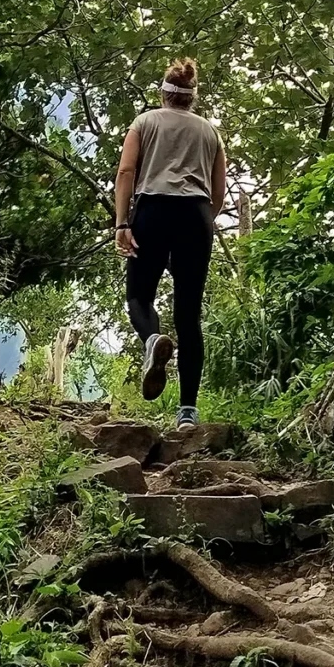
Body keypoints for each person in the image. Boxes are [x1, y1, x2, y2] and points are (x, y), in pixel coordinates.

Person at [114, 58, 227, 431]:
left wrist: (123, 223)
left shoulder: (144, 122)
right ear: (192, 99)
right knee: (189, 315)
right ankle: (187, 414)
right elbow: (219, 193)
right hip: (196, 216)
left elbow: (127, 171)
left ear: (163, 93)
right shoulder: (210, 132)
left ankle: (152, 340)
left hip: (153, 211)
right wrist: (200, 223)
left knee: (139, 297)